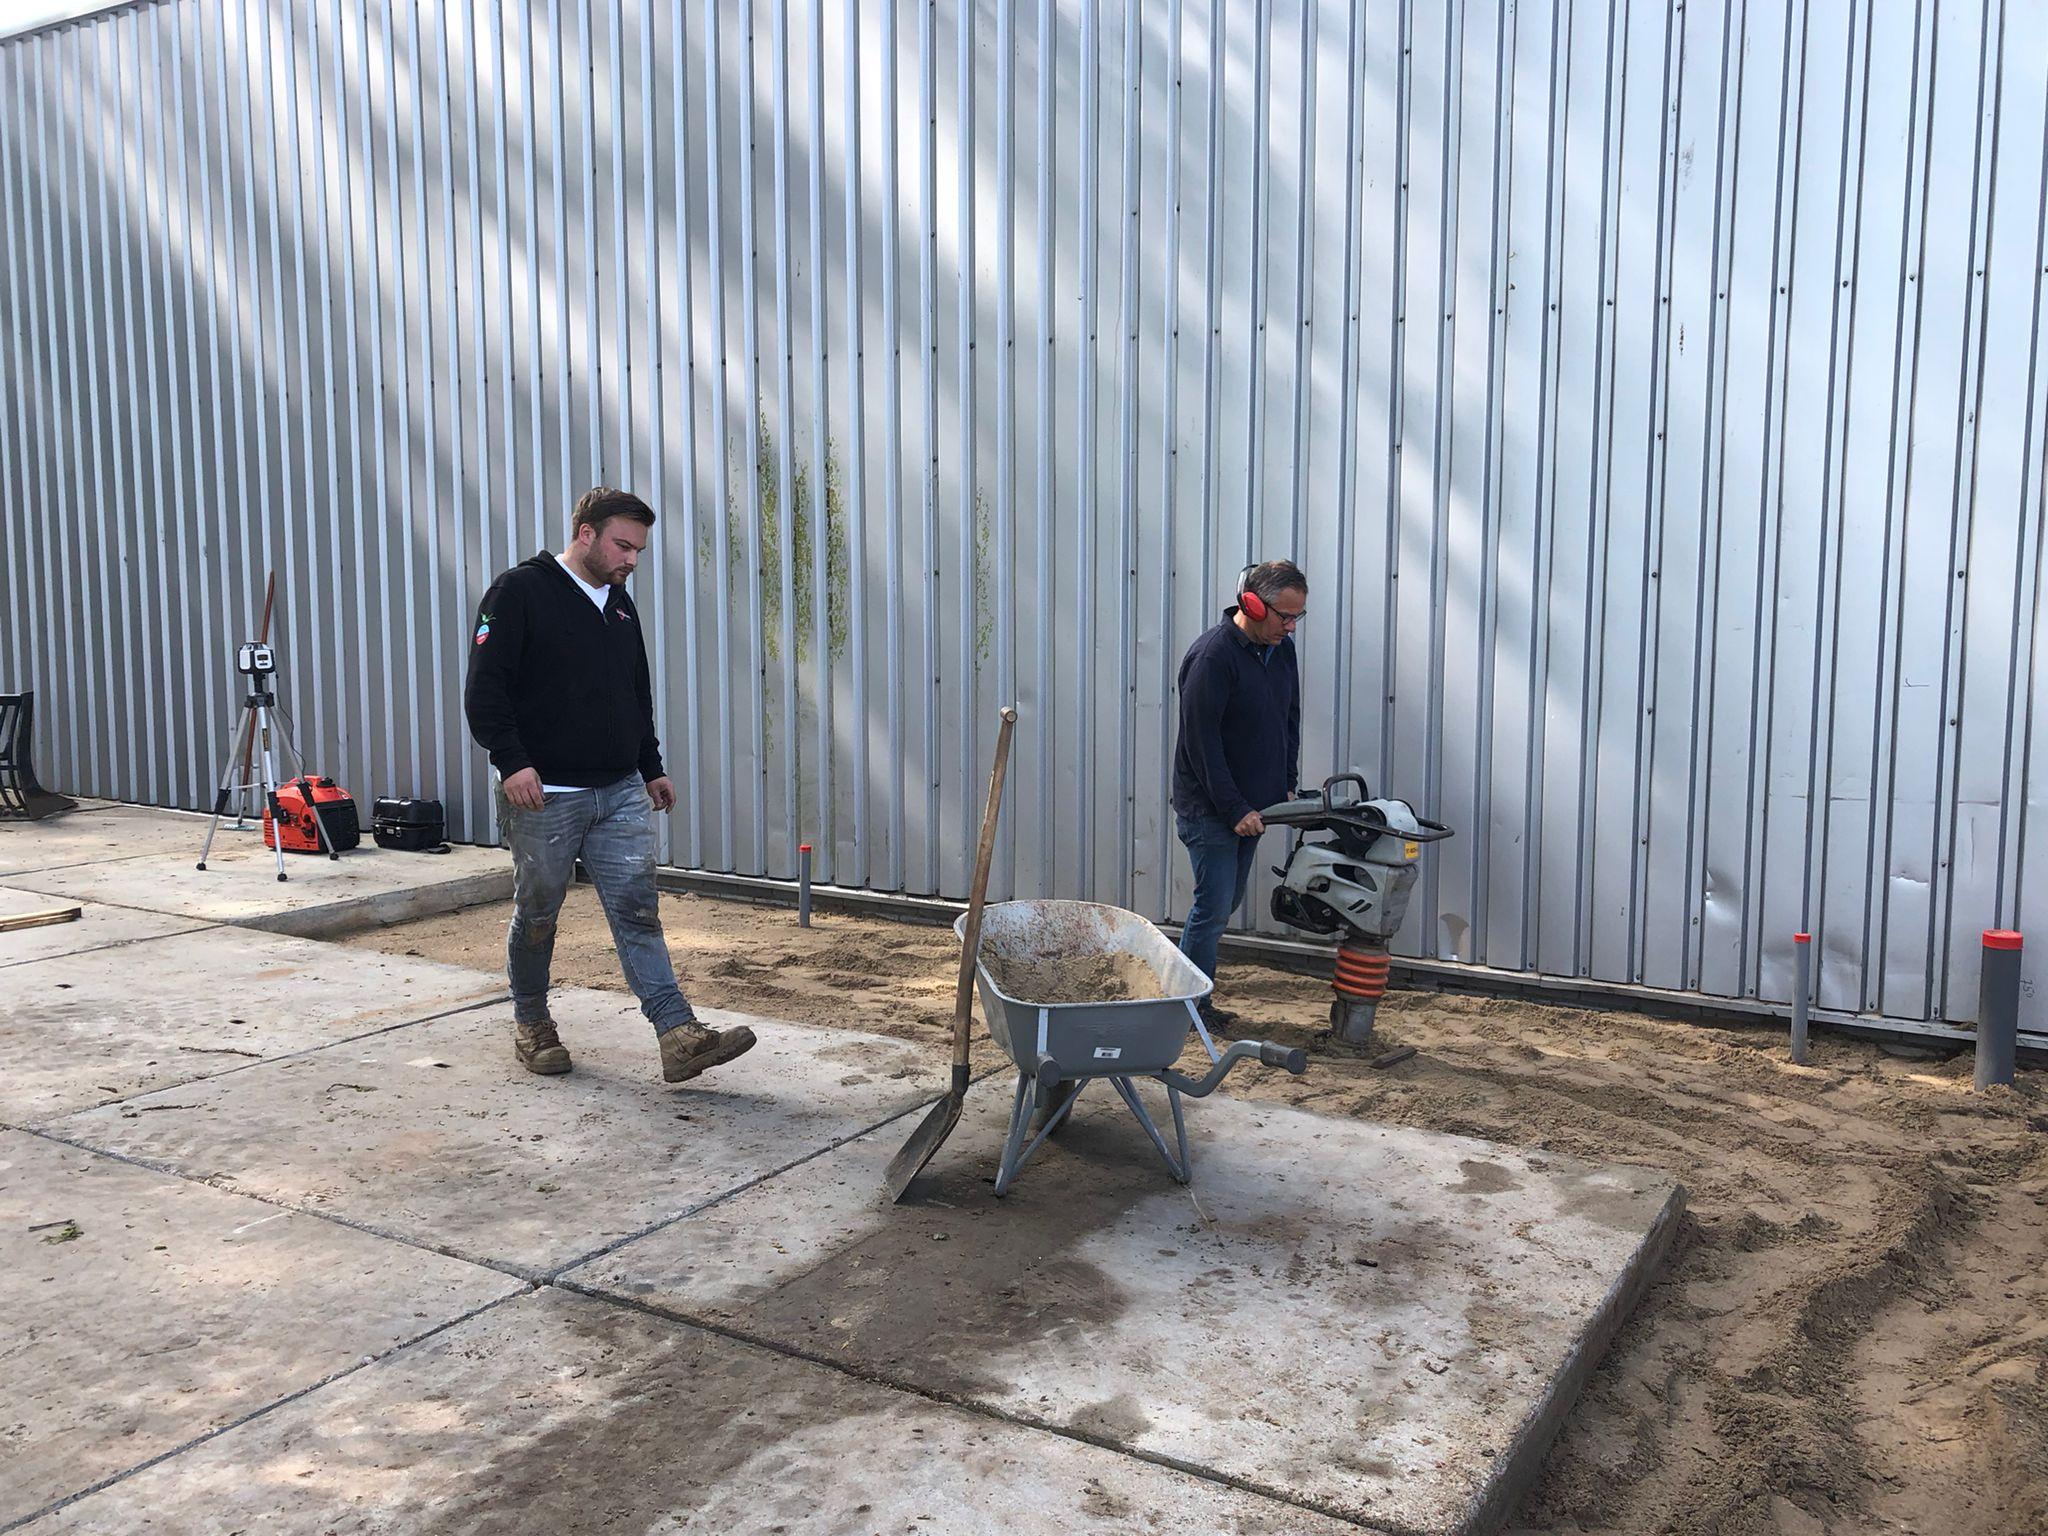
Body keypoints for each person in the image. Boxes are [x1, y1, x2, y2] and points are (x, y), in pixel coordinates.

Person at [463, 486, 755, 1083]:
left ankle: (677, 1033)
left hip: (619, 790)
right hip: (545, 793)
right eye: (624, 546)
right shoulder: (519, 592)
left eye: (639, 550)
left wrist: (650, 765)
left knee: (636, 908)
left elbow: (633, 691)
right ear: (586, 533)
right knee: (539, 912)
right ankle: (532, 1022)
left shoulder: (619, 603)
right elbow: (485, 688)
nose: (632, 560)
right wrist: (512, 761)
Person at [1170, 559, 1305, 1015]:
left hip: (1253, 807)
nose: (1290, 627)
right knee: (1212, 907)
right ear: (1252, 604)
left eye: (1297, 617)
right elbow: (1201, 744)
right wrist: (1234, 809)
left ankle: (1185, 994)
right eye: (1284, 616)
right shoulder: (1213, 658)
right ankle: (1189, 1007)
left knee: (1226, 900)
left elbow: (1288, 719)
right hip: (1211, 808)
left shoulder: (1281, 650)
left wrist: (1285, 783)